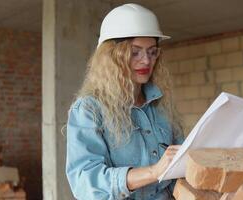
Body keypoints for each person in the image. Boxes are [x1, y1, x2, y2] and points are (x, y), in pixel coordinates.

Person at [65, 3, 185, 200]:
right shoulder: (89, 109)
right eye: (135, 52)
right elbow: (85, 183)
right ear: (112, 56)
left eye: (152, 51)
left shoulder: (161, 106)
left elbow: (181, 168)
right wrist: (153, 171)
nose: (146, 60)